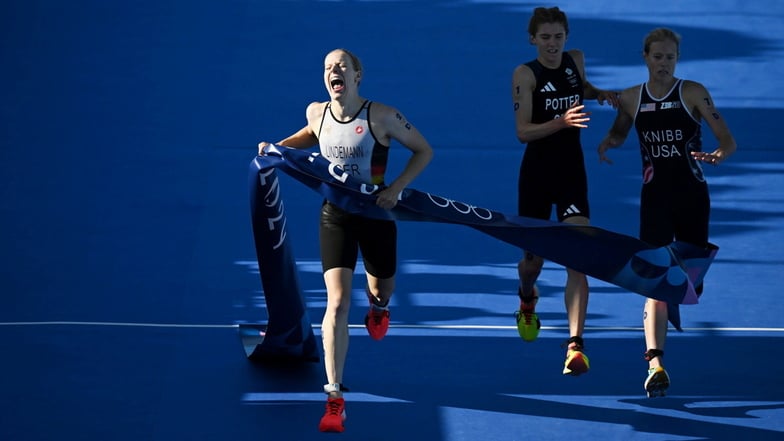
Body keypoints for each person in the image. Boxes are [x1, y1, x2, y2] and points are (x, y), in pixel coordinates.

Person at [258, 48, 433, 432]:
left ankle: (379, 307)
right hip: (335, 214)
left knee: (381, 289)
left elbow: (423, 150)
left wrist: (397, 188)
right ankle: (334, 397)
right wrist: (277, 148)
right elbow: (310, 135)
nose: (333, 72)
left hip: (376, 214)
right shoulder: (316, 112)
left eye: (341, 67)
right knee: (336, 303)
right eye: (327, 67)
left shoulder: (383, 116)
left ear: (358, 76)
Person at [597, 28, 736, 397]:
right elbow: (619, 133)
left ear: (677, 59)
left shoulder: (692, 92)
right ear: (645, 57)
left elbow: (727, 138)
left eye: (670, 58)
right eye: (657, 57)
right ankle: (655, 362)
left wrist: (721, 153)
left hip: (692, 197)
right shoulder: (630, 98)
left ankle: (681, 291)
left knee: (690, 284)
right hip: (654, 199)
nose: (663, 64)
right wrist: (607, 143)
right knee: (657, 281)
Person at [511, 6, 618, 376]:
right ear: (532, 39)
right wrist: (561, 121)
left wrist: (598, 92)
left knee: (578, 254)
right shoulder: (525, 74)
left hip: (571, 171)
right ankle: (527, 297)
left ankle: (576, 346)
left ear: (566, 37)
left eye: (558, 36)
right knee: (533, 263)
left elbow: (578, 87)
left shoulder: (576, 60)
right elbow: (522, 131)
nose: (552, 44)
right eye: (545, 38)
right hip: (537, 175)